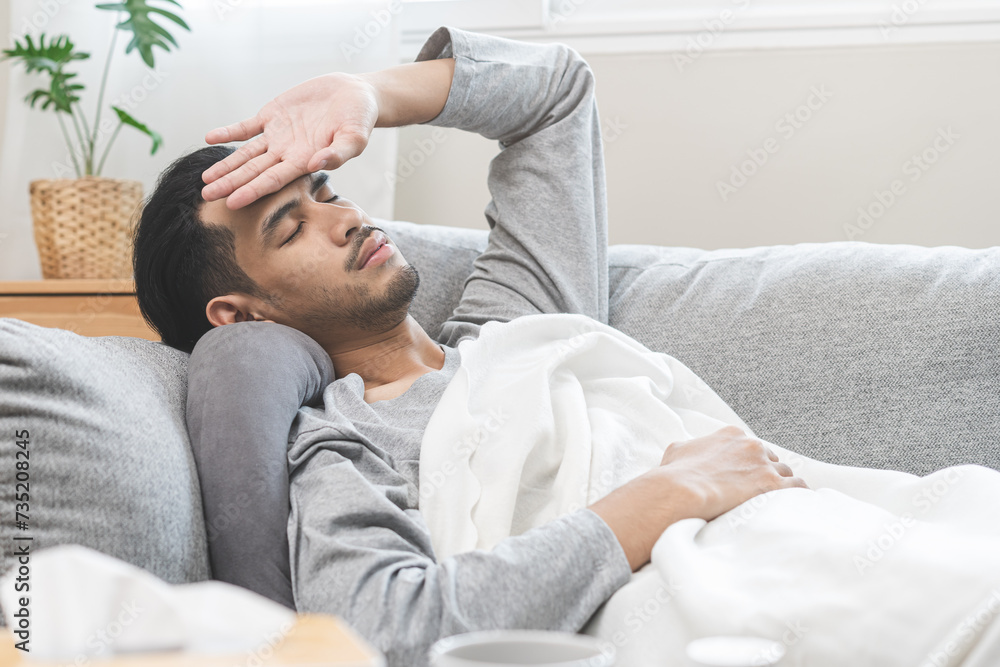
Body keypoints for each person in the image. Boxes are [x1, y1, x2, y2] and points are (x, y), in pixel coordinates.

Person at [131, 26, 806, 666]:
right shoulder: (343, 442)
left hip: (801, 536)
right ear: (241, 314)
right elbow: (388, 629)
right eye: (290, 227)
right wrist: (665, 493)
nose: (345, 219)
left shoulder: (517, 324)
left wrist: (368, 93)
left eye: (326, 190)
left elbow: (556, 96)